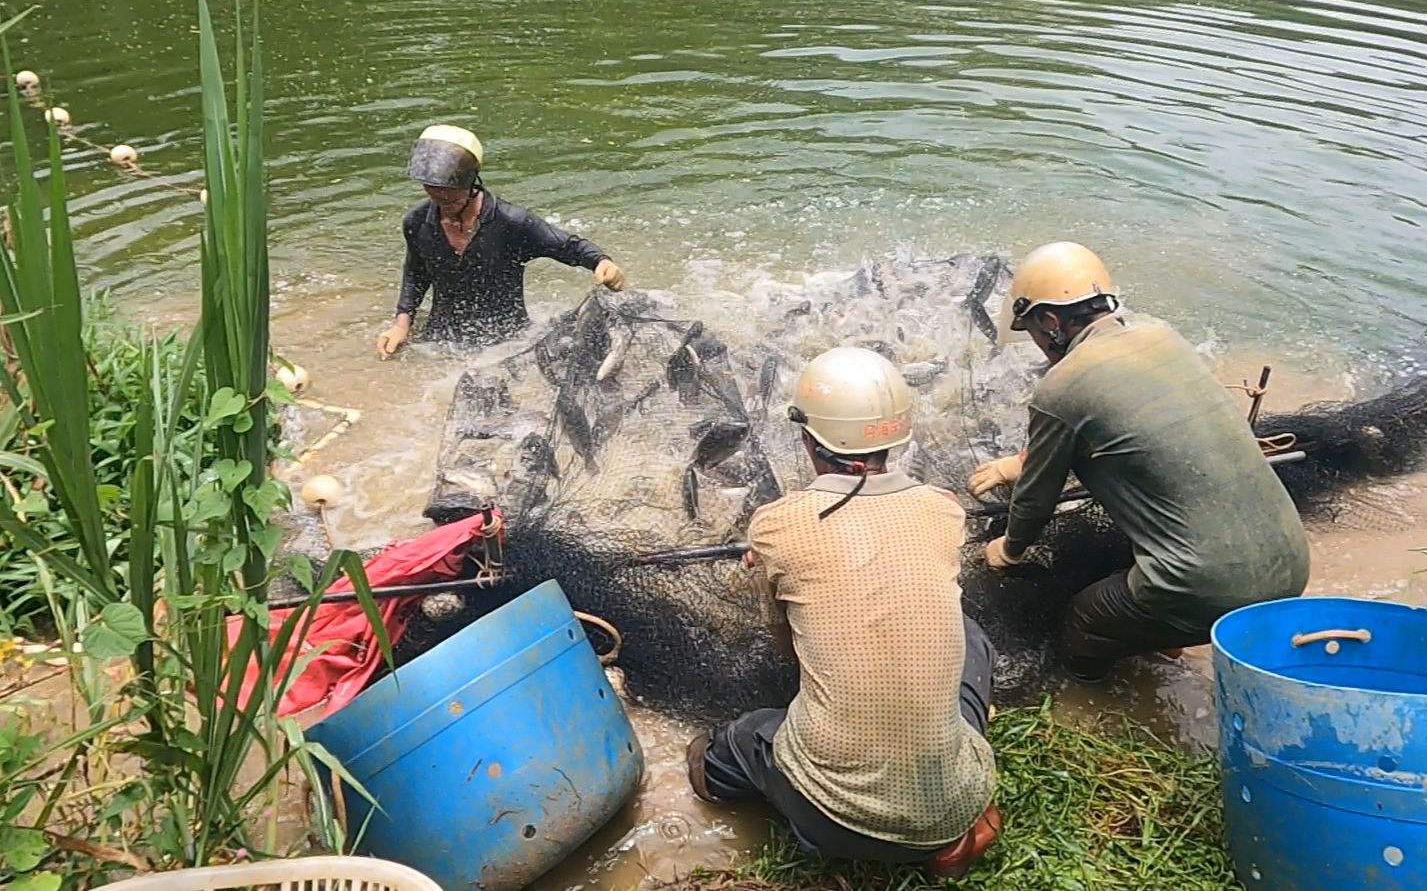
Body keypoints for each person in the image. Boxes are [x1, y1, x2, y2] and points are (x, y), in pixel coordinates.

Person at [688, 346, 1001, 879]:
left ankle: (738, 786)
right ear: (898, 438)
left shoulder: (775, 525)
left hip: (832, 817)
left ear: (809, 441)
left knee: (730, 744)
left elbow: (788, 650)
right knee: (971, 637)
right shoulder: (944, 510)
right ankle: (954, 839)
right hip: (954, 807)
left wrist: (771, 561)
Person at [971, 242, 1310, 682]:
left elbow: (1037, 501)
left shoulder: (1062, 386)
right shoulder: (1162, 337)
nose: (1037, 345)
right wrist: (1022, 461)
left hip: (1208, 585)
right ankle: (1165, 636)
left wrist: (1008, 551)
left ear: (1051, 321)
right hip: (1291, 568)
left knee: (1083, 621)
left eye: (1034, 331)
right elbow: (1138, 429)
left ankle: (1092, 701)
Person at [375, 124, 625, 356]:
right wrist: (401, 325)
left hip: (508, 342)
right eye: (431, 187)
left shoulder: (511, 222)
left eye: (450, 189)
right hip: (441, 340)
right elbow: (415, 274)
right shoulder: (417, 223)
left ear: (470, 181)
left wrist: (602, 262)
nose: (441, 195)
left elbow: (567, 246)